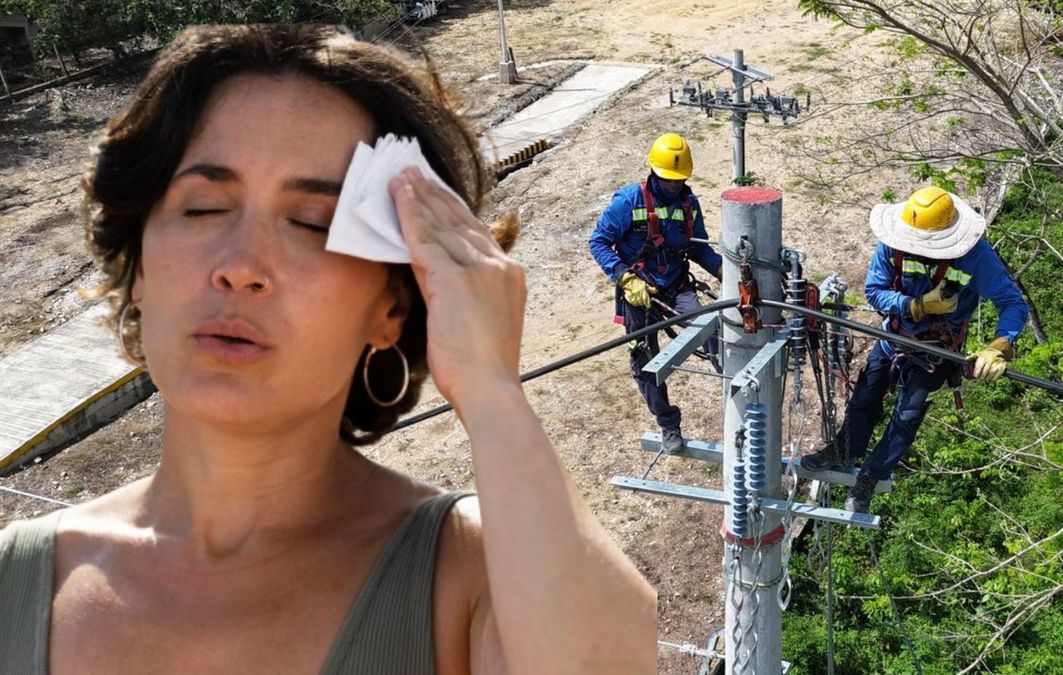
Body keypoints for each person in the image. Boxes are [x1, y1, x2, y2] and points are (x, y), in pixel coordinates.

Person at [0, 25, 655, 674]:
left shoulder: (473, 576)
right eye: (202, 208)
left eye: (313, 223)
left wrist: (491, 388)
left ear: (391, 306)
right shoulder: (14, 580)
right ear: (138, 264)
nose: (241, 266)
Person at [801, 186, 1028, 513]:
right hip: (895, 336)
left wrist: (999, 345)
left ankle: (872, 475)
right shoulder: (893, 247)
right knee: (865, 396)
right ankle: (845, 449)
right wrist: (914, 305)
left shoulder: (975, 256)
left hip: (937, 350)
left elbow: (1012, 304)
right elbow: (874, 291)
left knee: (907, 416)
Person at [588, 133, 722, 455]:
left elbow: (699, 247)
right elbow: (598, 241)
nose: (673, 186)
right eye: (668, 180)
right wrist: (625, 278)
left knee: (711, 333)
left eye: (679, 180)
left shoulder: (689, 206)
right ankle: (668, 423)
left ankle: (740, 391)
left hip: (676, 287)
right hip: (639, 292)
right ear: (653, 171)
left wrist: (723, 272)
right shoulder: (629, 202)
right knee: (645, 360)